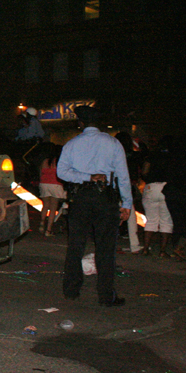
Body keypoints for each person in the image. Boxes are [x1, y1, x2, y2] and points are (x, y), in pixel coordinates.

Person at [57, 106, 131, 307]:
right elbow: (123, 176)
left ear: (80, 123)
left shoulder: (72, 144)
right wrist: (127, 203)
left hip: (80, 197)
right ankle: (106, 296)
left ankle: (71, 290)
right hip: (105, 198)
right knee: (106, 248)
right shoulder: (113, 143)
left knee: (76, 245)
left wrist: (86, 177)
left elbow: (62, 172)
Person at [139, 136, 174, 256]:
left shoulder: (152, 156)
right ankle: (162, 251)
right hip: (167, 188)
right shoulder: (173, 158)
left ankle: (145, 249)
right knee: (166, 221)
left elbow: (144, 172)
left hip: (151, 187)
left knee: (151, 220)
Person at [115, 131, 144, 253]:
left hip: (114, 186)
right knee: (130, 215)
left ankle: (111, 242)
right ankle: (134, 244)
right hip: (128, 186)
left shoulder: (114, 154)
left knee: (113, 215)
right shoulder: (134, 155)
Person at [38, 144, 66, 237]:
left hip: (44, 184)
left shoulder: (45, 161)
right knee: (53, 208)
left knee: (45, 205)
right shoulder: (59, 161)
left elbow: (40, 173)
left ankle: (42, 223)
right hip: (55, 185)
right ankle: (48, 230)